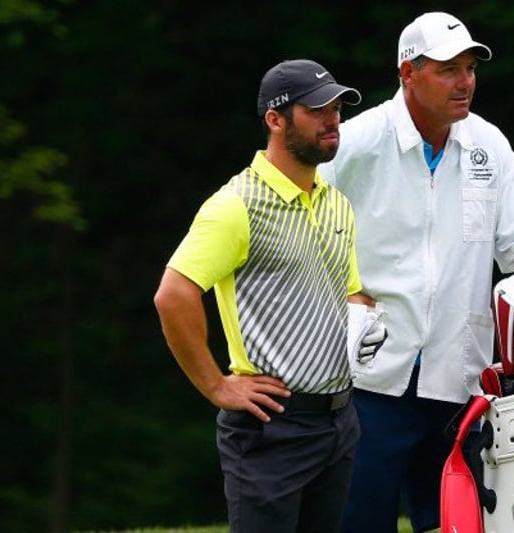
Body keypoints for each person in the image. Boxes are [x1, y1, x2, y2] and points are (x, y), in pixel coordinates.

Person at [318, 12, 514, 533]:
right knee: (357, 523)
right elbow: (297, 223)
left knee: (457, 524)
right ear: (408, 73)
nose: (465, 82)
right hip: (368, 381)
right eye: (447, 70)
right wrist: (338, 292)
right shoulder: (358, 141)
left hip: (459, 379)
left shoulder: (489, 144)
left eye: (469, 69)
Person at [154, 59, 379, 533]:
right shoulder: (235, 205)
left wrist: (364, 318)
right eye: (316, 110)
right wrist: (216, 386)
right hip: (271, 427)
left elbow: (350, 292)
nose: (332, 120)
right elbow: (173, 295)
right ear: (275, 120)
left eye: (336, 109)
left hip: (339, 421)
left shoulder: (336, 202)